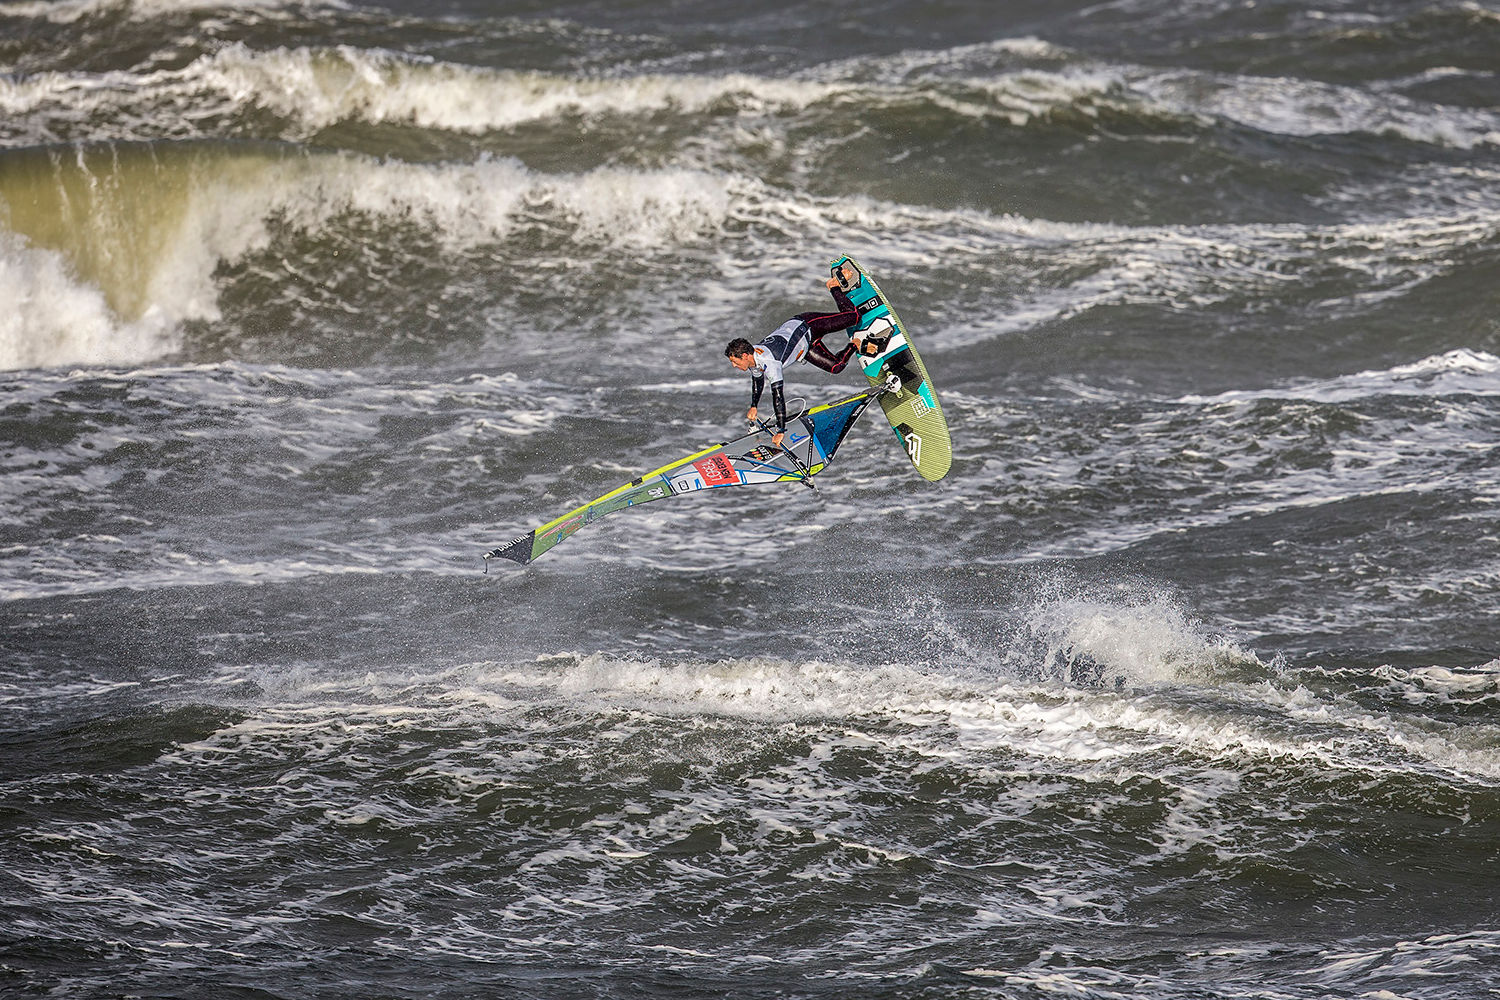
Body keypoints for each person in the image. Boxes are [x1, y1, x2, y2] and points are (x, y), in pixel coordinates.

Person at [724, 277, 859, 447]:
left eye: (735, 361)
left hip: (807, 325)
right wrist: (753, 406)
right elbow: (757, 381)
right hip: (805, 347)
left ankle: (834, 287)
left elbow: (778, 397)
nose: (734, 366)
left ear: (744, 356)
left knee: (854, 317)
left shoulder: (769, 362)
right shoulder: (753, 361)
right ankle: (857, 344)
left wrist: (781, 430)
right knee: (836, 367)